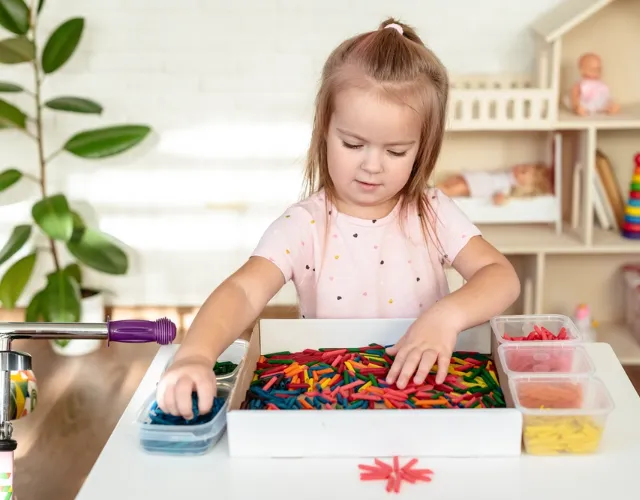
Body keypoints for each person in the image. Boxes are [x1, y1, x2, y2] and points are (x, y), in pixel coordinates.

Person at [156, 18, 521, 419]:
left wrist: (447, 317)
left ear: (423, 149)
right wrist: (195, 354)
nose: (372, 166)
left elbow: (499, 275)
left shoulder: (431, 211)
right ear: (324, 131)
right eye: (352, 143)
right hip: (328, 404)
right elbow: (243, 292)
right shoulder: (303, 224)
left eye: (396, 151)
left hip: (423, 399)